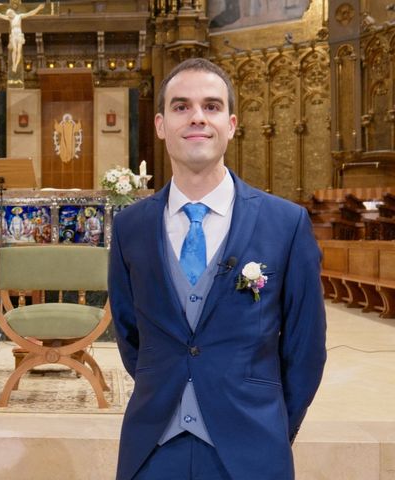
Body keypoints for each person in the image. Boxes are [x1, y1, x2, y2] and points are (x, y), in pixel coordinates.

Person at [108, 58, 326, 480]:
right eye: (181, 106)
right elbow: (129, 330)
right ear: (160, 124)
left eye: (210, 106)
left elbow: (305, 348)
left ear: (231, 123)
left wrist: (271, 428)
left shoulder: (286, 223)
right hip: (152, 448)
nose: (196, 118)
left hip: (251, 448)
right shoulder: (130, 226)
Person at [0, 2, 44, 73]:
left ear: (12, 12)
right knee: (14, 50)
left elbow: (30, 13)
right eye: (8, 15)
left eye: (9, 14)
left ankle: (16, 64)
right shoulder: (10, 19)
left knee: (18, 51)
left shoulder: (19, 16)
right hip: (13, 35)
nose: (9, 16)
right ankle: (14, 65)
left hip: (19, 34)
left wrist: (38, 8)